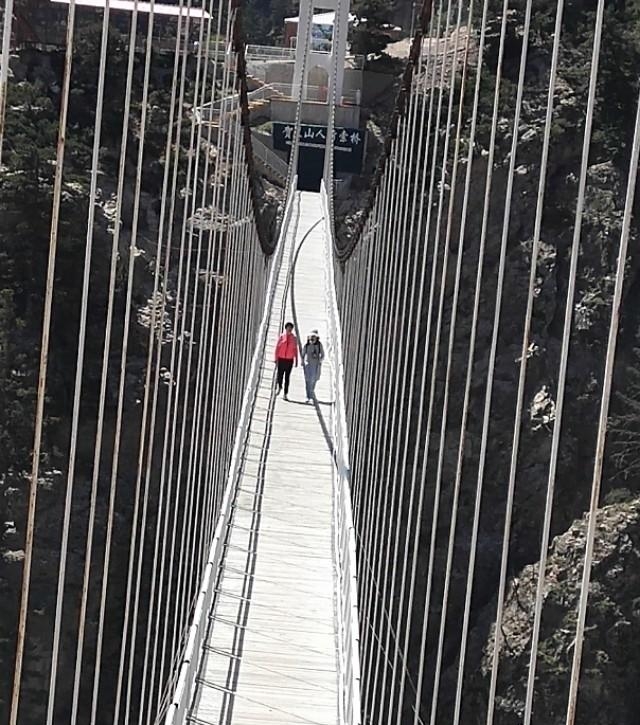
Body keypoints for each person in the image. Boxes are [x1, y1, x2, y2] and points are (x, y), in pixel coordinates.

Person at [274, 322, 298, 400]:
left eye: (290, 328)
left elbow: (295, 349)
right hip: (281, 359)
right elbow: (277, 348)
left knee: (287, 377)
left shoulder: (294, 338)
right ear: (286, 328)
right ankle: (279, 386)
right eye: (288, 328)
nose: (289, 329)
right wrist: (275, 358)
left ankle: (285, 393)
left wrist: (296, 360)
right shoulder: (281, 337)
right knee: (280, 375)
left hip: (289, 360)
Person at [303, 329, 324, 402]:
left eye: (314, 337)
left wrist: (320, 361)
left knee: (314, 380)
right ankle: (308, 396)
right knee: (308, 380)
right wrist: (303, 362)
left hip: (316, 366)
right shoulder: (307, 345)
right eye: (311, 337)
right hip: (308, 365)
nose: (312, 338)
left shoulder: (319, 345)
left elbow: (323, 354)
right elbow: (303, 354)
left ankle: (311, 394)